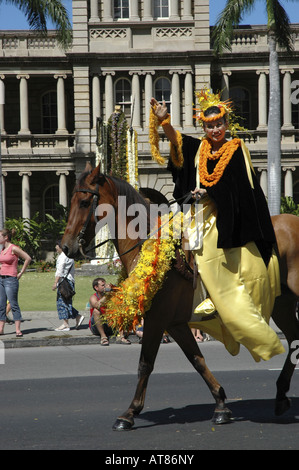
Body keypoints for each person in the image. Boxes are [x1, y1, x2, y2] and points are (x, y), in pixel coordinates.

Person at [150, 90, 285, 362]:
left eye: (218, 124)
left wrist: (210, 194)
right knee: (171, 240)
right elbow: (179, 144)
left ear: (226, 124)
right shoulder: (200, 148)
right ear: (204, 127)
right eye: (209, 126)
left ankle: (218, 300)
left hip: (226, 215)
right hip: (198, 212)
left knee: (206, 249)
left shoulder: (235, 148)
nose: (215, 130)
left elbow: (239, 188)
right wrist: (164, 122)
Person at [0, 228, 32, 337]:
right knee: (1, 305)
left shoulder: (13, 248)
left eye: (0, 236)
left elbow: (28, 258)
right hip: (1, 279)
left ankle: (18, 330)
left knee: (13, 304)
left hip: (10, 280)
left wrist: (21, 272)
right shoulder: (3, 249)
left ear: (6, 237)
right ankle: (1, 329)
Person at [52, 240, 84, 331]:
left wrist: (55, 283)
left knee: (61, 303)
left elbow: (60, 271)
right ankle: (78, 316)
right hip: (69, 282)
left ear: (60, 246)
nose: (55, 248)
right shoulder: (69, 256)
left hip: (64, 282)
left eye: (56, 246)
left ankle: (66, 324)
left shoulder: (63, 257)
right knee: (66, 302)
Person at [89, 277, 131, 345]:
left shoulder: (110, 296)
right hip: (97, 327)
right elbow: (97, 305)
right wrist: (107, 295)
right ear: (96, 287)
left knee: (119, 307)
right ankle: (103, 337)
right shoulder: (93, 297)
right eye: (102, 285)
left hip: (109, 324)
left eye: (105, 285)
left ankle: (121, 336)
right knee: (96, 311)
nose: (104, 287)